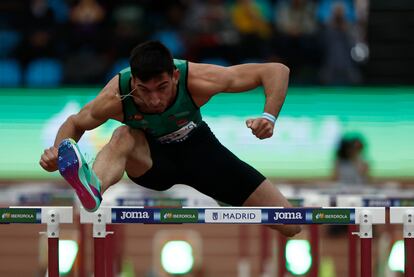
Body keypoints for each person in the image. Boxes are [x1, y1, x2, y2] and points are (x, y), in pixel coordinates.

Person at [39, 40, 301, 237]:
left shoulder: (196, 79)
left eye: (162, 88)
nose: (154, 99)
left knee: (290, 224)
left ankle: (225, 193)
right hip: (152, 162)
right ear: (134, 83)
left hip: (201, 153)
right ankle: (93, 187)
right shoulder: (116, 96)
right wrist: (57, 152)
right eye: (144, 90)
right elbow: (74, 123)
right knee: (123, 135)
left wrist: (269, 117)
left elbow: (276, 71)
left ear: (174, 76)